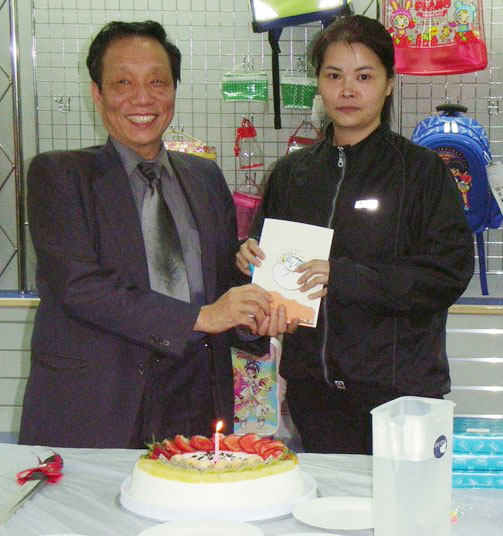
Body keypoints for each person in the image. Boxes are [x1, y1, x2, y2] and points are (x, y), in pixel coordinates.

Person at [19, 20, 293, 449]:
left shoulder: (204, 177)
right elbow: (81, 286)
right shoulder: (60, 175)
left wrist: (255, 313)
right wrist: (202, 317)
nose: (142, 98)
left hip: (197, 395)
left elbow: (221, 287)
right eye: (123, 83)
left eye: (157, 82)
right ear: (97, 93)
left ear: (173, 92)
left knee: (193, 491)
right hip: (99, 403)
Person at [236, 15, 474, 454]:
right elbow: (265, 273)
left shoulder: (421, 172)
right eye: (334, 76)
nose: (347, 90)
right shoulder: (292, 174)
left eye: (364, 76)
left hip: (402, 396)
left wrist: (344, 277)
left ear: (388, 84)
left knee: (406, 500)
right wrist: (248, 261)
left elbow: (447, 274)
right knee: (326, 498)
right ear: (320, 83)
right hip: (315, 394)